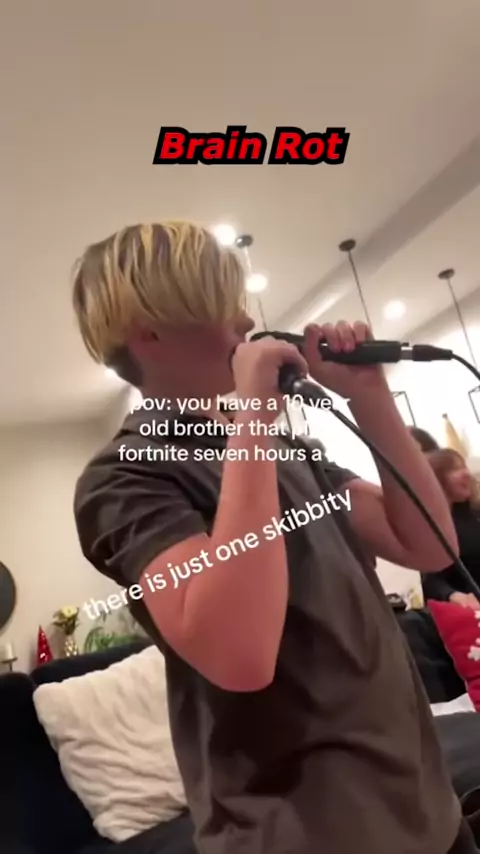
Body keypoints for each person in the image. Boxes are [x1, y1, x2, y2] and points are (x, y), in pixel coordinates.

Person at [72, 221, 476, 854]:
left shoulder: (285, 448)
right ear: (148, 333)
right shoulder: (125, 477)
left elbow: (428, 546)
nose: (244, 319)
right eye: (218, 304)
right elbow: (239, 652)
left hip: (426, 808)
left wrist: (369, 396)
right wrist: (255, 414)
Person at [422, 448, 480, 610]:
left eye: (464, 466)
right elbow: (431, 580)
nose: (466, 473)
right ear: (436, 479)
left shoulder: (474, 513)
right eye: (455, 469)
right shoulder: (433, 526)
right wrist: (453, 595)